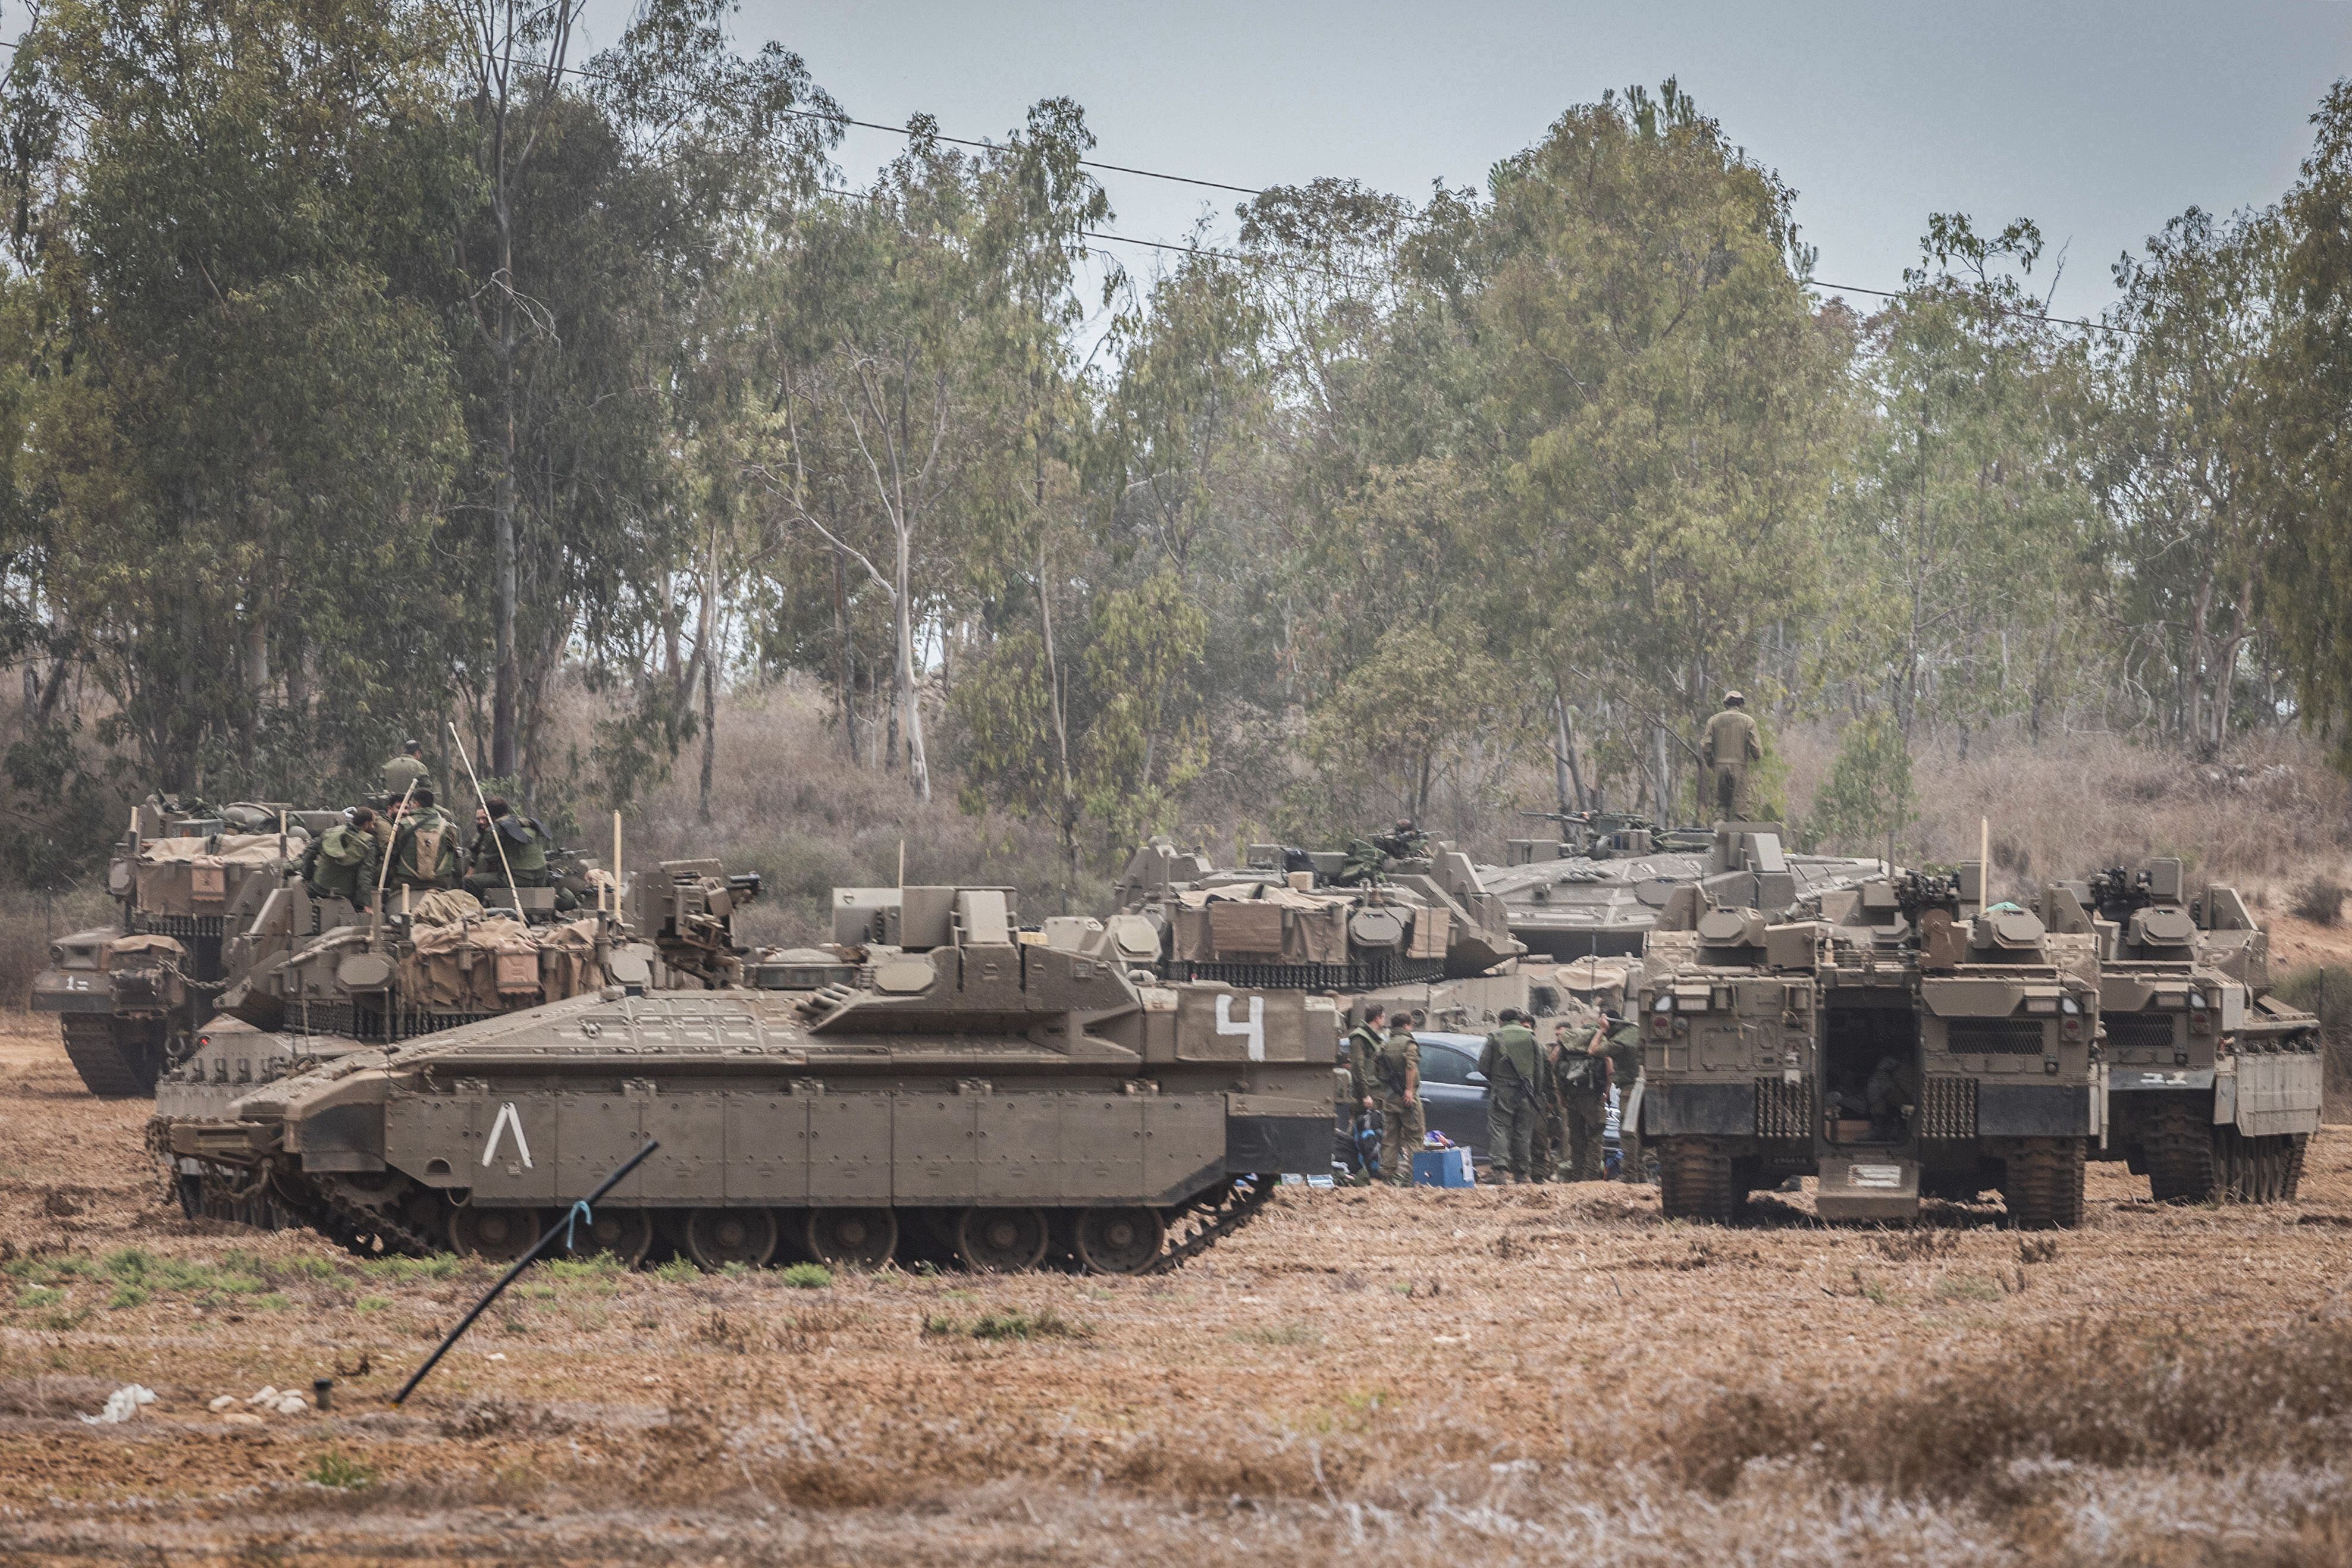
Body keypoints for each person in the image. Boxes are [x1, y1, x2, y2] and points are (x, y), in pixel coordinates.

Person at [1477, 1008, 1549, 1183]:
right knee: (1523, 1133)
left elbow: (1483, 1066)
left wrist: (1497, 1080)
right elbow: (1540, 1069)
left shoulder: (1495, 1036)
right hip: (1527, 1092)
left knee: (1500, 1129)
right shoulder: (1531, 1037)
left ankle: (1500, 1171)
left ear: (1501, 1021)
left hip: (1502, 1091)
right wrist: (1536, 1091)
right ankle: (1522, 1174)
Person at [1589, 1008, 1646, 1183]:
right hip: (1646, 1086)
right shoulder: (1635, 1030)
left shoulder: (1621, 1041)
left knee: (1628, 1132)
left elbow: (1594, 1050)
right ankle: (1641, 1174)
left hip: (1632, 1088)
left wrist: (1602, 1030)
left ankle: (1629, 1175)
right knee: (1640, 1133)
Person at [1552, 1015, 1611, 1181]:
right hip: (1593, 1097)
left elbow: (1557, 1070)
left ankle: (1577, 1176)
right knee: (1595, 1137)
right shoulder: (1598, 1038)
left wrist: (1562, 1096)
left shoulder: (1569, 1041)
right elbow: (1608, 1065)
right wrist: (1607, 1091)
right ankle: (1590, 1177)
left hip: (1572, 1096)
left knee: (1577, 1139)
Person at [463, 795, 557, 898]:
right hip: (541, 879)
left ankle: (483, 908)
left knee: (469, 882)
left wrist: (472, 868)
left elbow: (487, 859)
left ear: (490, 815)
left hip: (518, 880)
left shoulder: (496, 830)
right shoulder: (527, 823)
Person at [1371, 1014, 1423, 1187]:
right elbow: (1411, 1066)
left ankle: (1387, 1176)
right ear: (1407, 1025)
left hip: (1390, 1097)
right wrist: (1408, 1090)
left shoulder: (1385, 1044)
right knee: (1414, 1137)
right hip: (1407, 1098)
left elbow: (1377, 1070)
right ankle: (1414, 1176)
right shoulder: (1409, 1044)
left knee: (1390, 1138)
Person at [385, 789, 465, 894]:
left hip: (406, 882)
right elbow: (454, 854)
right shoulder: (448, 827)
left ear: (416, 803)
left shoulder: (401, 825)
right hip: (439, 883)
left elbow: (392, 853)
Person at [299, 808, 380, 910]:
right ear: (367, 824)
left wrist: (308, 875)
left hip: (318, 888)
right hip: (345, 893)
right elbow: (365, 875)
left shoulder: (331, 832)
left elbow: (309, 852)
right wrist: (365, 904)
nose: (373, 827)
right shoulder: (368, 844)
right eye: (373, 824)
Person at [1343, 1003, 1387, 1180]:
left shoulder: (1375, 1037)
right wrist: (1364, 1094)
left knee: (1373, 1132)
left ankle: (1372, 1167)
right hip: (1368, 1092)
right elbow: (1358, 1068)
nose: (1384, 1020)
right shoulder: (1359, 1038)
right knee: (1355, 1131)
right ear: (1377, 1018)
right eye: (1383, 1017)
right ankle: (1346, 1164)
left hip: (1377, 1090)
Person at [1701, 692, 1762, 821]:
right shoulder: (1748, 721)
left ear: (1726, 704)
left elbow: (1706, 745)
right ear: (1741, 704)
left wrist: (1711, 762)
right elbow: (1756, 748)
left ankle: (1719, 831)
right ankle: (1740, 837)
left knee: (1722, 806)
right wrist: (1756, 757)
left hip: (1720, 766)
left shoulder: (1713, 720)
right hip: (1740, 767)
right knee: (1741, 806)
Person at [380, 739, 437, 804]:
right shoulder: (419, 766)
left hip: (391, 803)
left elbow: (381, 785)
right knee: (446, 813)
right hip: (412, 804)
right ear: (417, 753)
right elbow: (426, 789)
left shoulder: (388, 765)